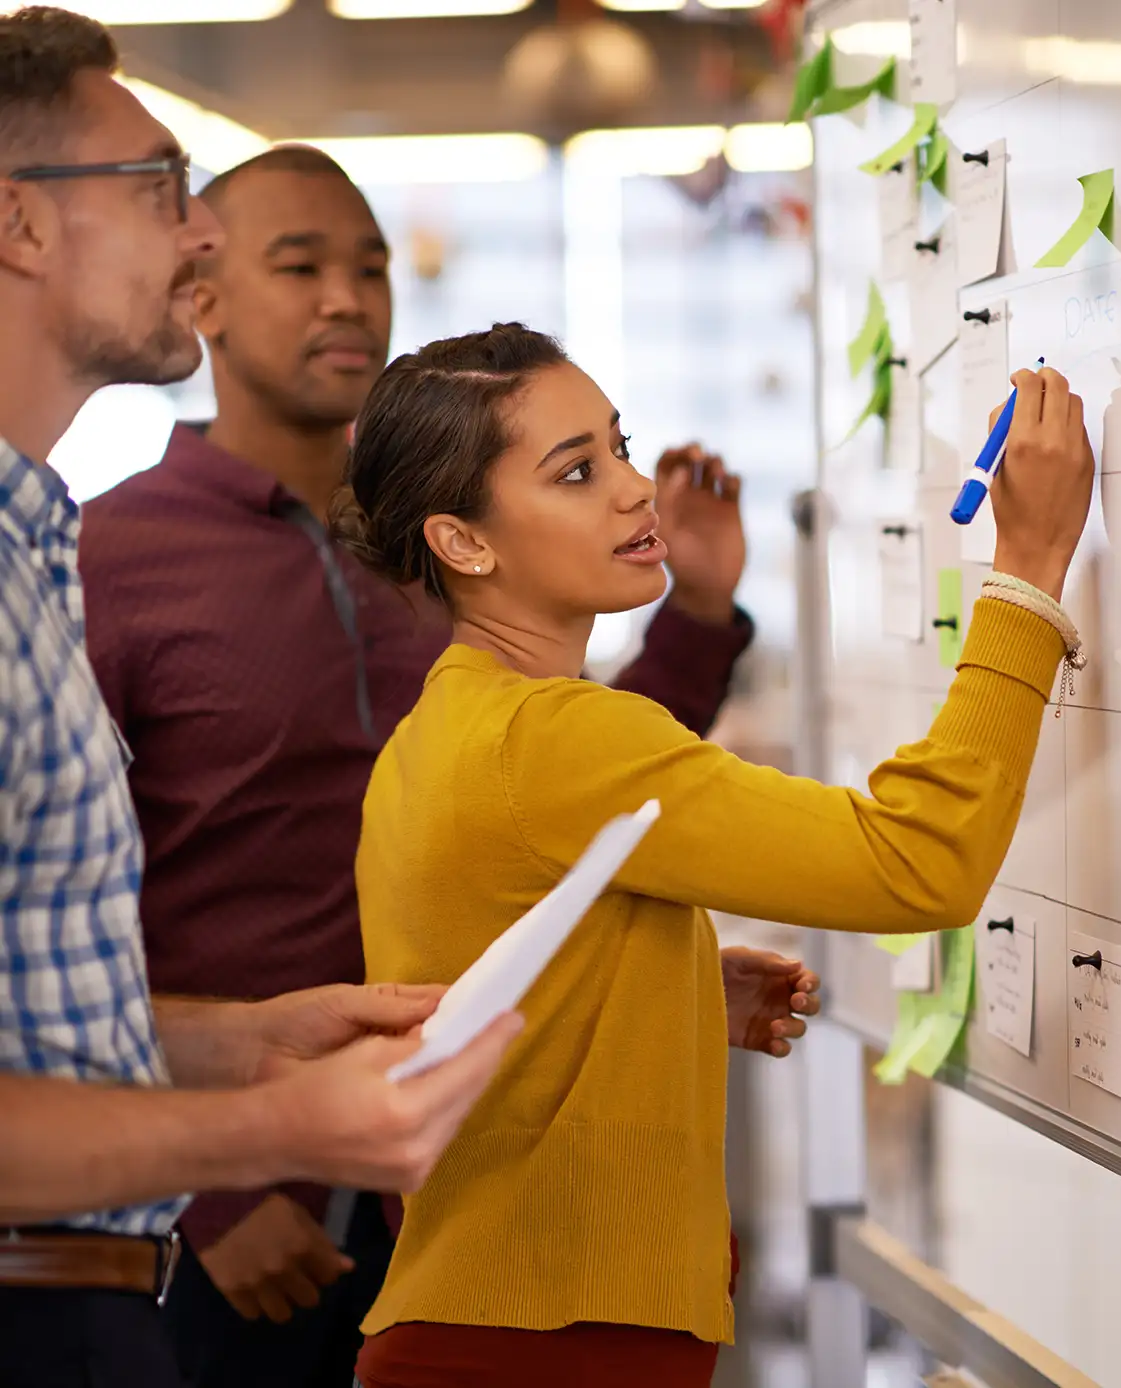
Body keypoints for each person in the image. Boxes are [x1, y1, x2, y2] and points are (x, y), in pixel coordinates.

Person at [74, 140, 803, 1385]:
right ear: (200, 297)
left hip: (473, 1191)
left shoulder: (447, 544)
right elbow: (66, 902)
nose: (348, 296)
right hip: (243, 1206)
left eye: (368, 264)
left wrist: (696, 615)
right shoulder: (113, 553)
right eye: (298, 265)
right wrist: (206, 1183)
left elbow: (589, 793)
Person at [329, 322, 1095, 1388]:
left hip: (492, 1327)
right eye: (578, 470)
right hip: (545, 1348)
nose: (637, 489)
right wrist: (1029, 570)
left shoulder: (447, 727)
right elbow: (920, 860)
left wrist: (663, 985)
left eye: (620, 445)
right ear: (463, 542)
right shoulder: (560, 736)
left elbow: (481, 989)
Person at [0, 11, 521, 1386]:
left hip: (127, 1282)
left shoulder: (30, 550)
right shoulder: (95, 552)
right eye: (162, 190)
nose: (193, 240)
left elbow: (43, 998)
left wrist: (248, 1046)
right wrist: (258, 1149)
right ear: (21, 225)